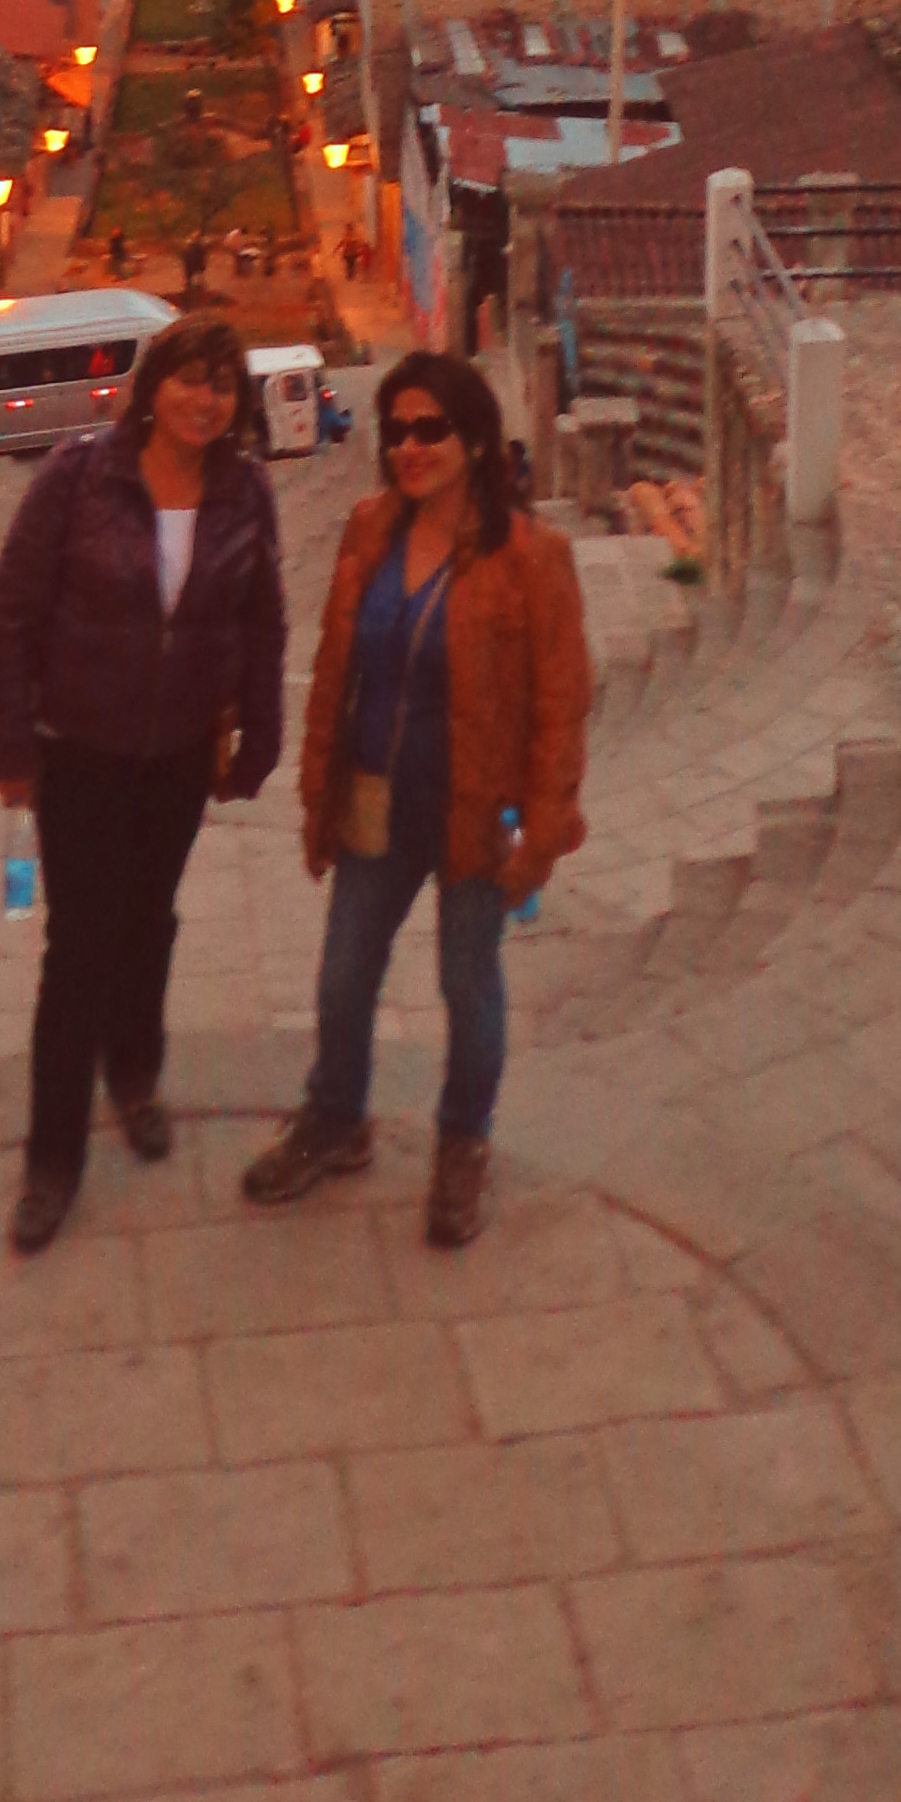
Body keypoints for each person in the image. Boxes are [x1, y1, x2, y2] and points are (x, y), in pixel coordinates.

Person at [243, 348, 592, 1253]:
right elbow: (336, 673)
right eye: (396, 431)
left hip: (474, 809)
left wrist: (543, 832)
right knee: (342, 975)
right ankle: (336, 1118)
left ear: (474, 440)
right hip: (376, 799)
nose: (409, 447)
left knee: (466, 984)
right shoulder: (370, 530)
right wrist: (318, 788)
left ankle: (462, 1144)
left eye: (430, 429)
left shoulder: (533, 558)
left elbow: (561, 706)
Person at [0, 307, 286, 1255]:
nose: (205, 399)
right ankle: (52, 1159)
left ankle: (137, 1075)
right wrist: (14, 750)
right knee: (79, 948)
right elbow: (10, 615)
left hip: (179, 753)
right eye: (188, 378)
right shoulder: (78, 478)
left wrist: (260, 737)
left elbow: (262, 621)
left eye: (222, 385)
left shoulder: (245, 493)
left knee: (152, 922)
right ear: (152, 389)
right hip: (81, 750)